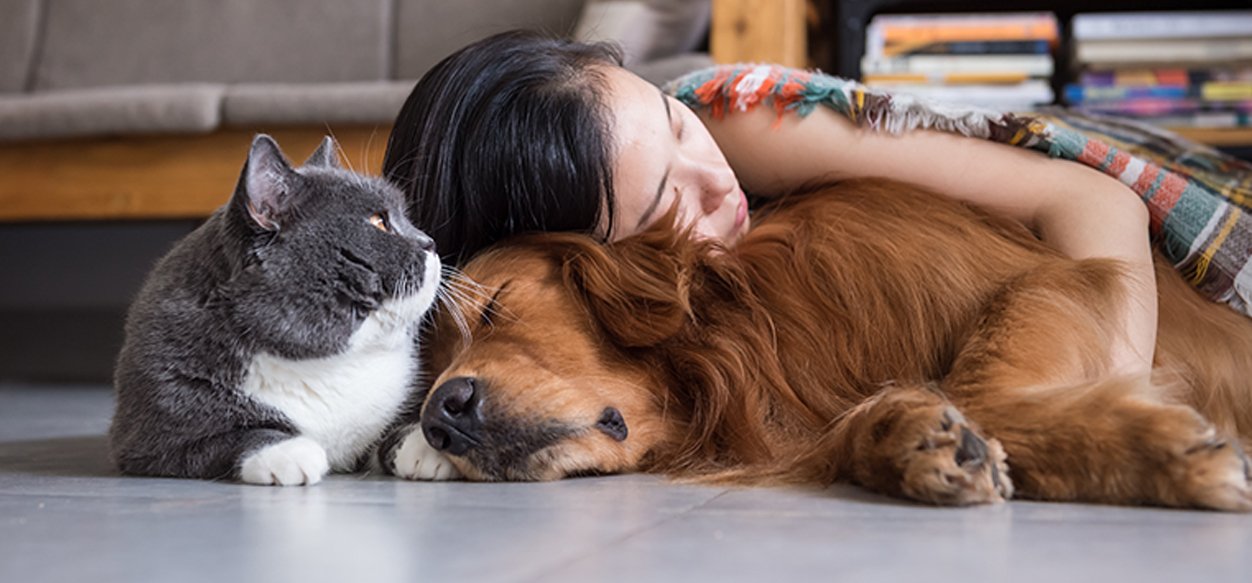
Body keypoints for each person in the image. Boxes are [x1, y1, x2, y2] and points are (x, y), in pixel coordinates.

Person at [384, 30, 1165, 376]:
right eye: (662, 206)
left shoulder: (744, 124)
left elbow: (1090, 195)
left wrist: (1114, 387)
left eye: (674, 126)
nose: (715, 180)